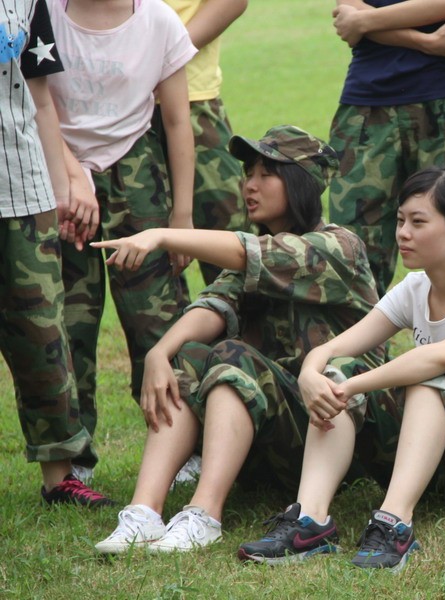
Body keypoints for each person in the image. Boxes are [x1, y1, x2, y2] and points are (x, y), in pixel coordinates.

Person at [237, 166, 445, 572]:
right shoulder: (414, 288)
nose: (403, 233)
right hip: (442, 461)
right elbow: (335, 349)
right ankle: (310, 522)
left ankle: (394, 523)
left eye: (418, 223)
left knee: (428, 375)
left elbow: (442, 357)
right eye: (401, 220)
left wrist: (353, 386)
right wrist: (311, 373)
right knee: (341, 370)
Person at [91, 125, 383, 554]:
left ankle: (203, 514)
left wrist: (161, 235)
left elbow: (250, 253)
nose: (249, 184)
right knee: (190, 354)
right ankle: (144, 512)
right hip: (277, 430)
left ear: (301, 183)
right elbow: (214, 305)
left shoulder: (338, 247)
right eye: (248, 173)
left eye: (266, 174)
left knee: (233, 356)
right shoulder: (255, 257)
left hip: (337, 434)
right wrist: (160, 352)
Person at [46, 0, 198, 479]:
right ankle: (74, 457)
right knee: (69, 325)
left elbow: (177, 121)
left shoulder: (158, 20)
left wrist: (182, 217)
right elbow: (34, 104)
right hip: (62, 181)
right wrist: (67, 177)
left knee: (158, 322)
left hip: (137, 179)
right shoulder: (42, 14)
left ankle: (182, 446)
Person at [1, 0, 112, 506]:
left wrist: (59, 189)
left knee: (42, 334)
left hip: (23, 191)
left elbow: (41, 99)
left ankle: (60, 476)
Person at [329, 0, 445, 296]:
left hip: (444, 99)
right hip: (367, 102)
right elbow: (347, 13)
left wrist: (364, 22)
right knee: (352, 251)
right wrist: (428, 42)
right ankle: (362, 330)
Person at [157, 0, 253, 286]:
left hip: (194, 99)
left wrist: (165, 58)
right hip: (117, 108)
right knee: (148, 258)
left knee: (230, 241)